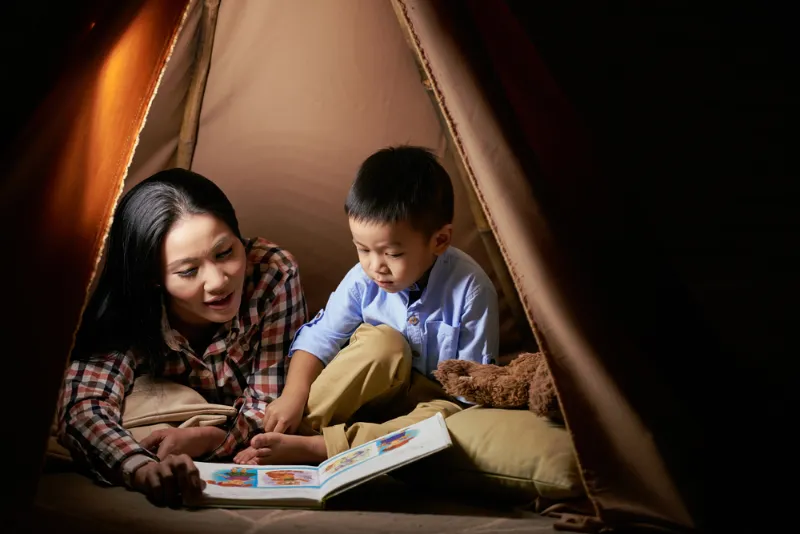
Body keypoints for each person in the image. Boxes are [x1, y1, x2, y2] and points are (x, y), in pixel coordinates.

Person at [234, 145, 499, 466]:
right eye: (363, 249)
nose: (376, 266)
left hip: (427, 406)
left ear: (439, 240)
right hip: (367, 397)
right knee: (383, 343)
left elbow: (469, 389)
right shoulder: (362, 279)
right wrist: (292, 396)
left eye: (392, 253)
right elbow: (320, 339)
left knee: (447, 417)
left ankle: (320, 447)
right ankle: (295, 432)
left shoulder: (471, 289)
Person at [57, 168, 307, 506]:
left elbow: (268, 405)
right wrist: (142, 468)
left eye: (225, 253)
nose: (218, 281)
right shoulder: (133, 308)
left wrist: (208, 437)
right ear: (153, 278)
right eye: (188, 271)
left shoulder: (271, 274)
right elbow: (84, 407)